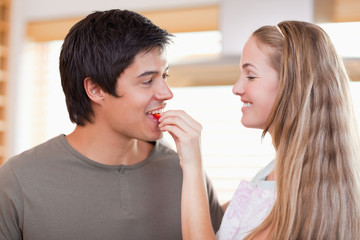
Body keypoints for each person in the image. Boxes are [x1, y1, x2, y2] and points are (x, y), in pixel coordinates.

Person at [0, 9, 224, 240]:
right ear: (96, 89)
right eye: (147, 81)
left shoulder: (186, 173)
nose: (167, 93)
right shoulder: (17, 181)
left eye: (164, 77)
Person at [158, 20, 360, 239]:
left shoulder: (307, 196)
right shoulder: (273, 173)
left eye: (251, 76)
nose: (237, 88)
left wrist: (192, 164)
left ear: (291, 86)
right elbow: (226, 221)